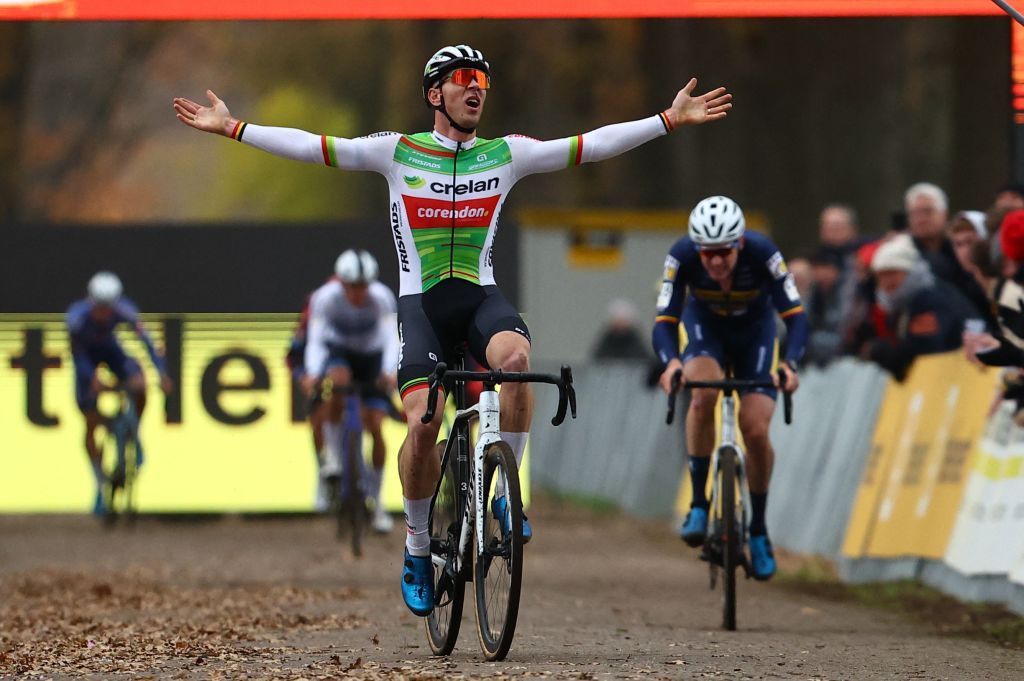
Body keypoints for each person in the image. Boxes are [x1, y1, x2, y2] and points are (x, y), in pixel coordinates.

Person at [174, 44, 732, 616]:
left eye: (484, 81)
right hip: (421, 306)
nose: (477, 89)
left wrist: (667, 120)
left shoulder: (506, 154)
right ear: (434, 93)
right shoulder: (398, 152)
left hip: (479, 298)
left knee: (515, 358)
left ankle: (504, 503)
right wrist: (235, 128)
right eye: (464, 79)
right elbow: (317, 148)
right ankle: (417, 546)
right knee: (422, 424)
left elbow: (590, 146)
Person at [652, 196, 805, 581]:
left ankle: (758, 530)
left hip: (756, 334)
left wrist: (790, 365)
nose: (716, 262)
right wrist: (671, 362)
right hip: (706, 330)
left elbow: (797, 319)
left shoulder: (764, 253)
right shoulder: (681, 255)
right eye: (708, 255)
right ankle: (700, 503)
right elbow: (664, 320)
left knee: (755, 429)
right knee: (702, 396)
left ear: (739, 244)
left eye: (723, 253)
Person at [302, 250, 399, 534]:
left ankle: (378, 502)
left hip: (371, 359)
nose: (358, 294)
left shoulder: (381, 297)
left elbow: (391, 337)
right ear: (341, 284)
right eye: (352, 287)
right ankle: (332, 457)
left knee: (376, 424)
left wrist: (389, 371)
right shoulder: (325, 298)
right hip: (340, 352)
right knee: (337, 383)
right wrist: (313, 372)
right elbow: (317, 340)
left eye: (363, 287)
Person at [65, 272, 173, 515]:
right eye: (100, 308)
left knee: (140, 384)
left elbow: (147, 343)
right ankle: (99, 483)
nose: (104, 313)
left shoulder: (124, 311)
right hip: (87, 362)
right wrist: (93, 379)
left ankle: (135, 432)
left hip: (111, 353)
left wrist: (161, 374)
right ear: (91, 301)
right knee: (91, 422)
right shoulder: (77, 319)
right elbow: (78, 357)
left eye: (108, 307)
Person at [860, 235, 973, 381]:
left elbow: (927, 348)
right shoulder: (901, 304)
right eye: (881, 276)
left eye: (892, 273)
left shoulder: (928, 298)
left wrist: (886, 353)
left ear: (909, 272)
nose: (887, 282)